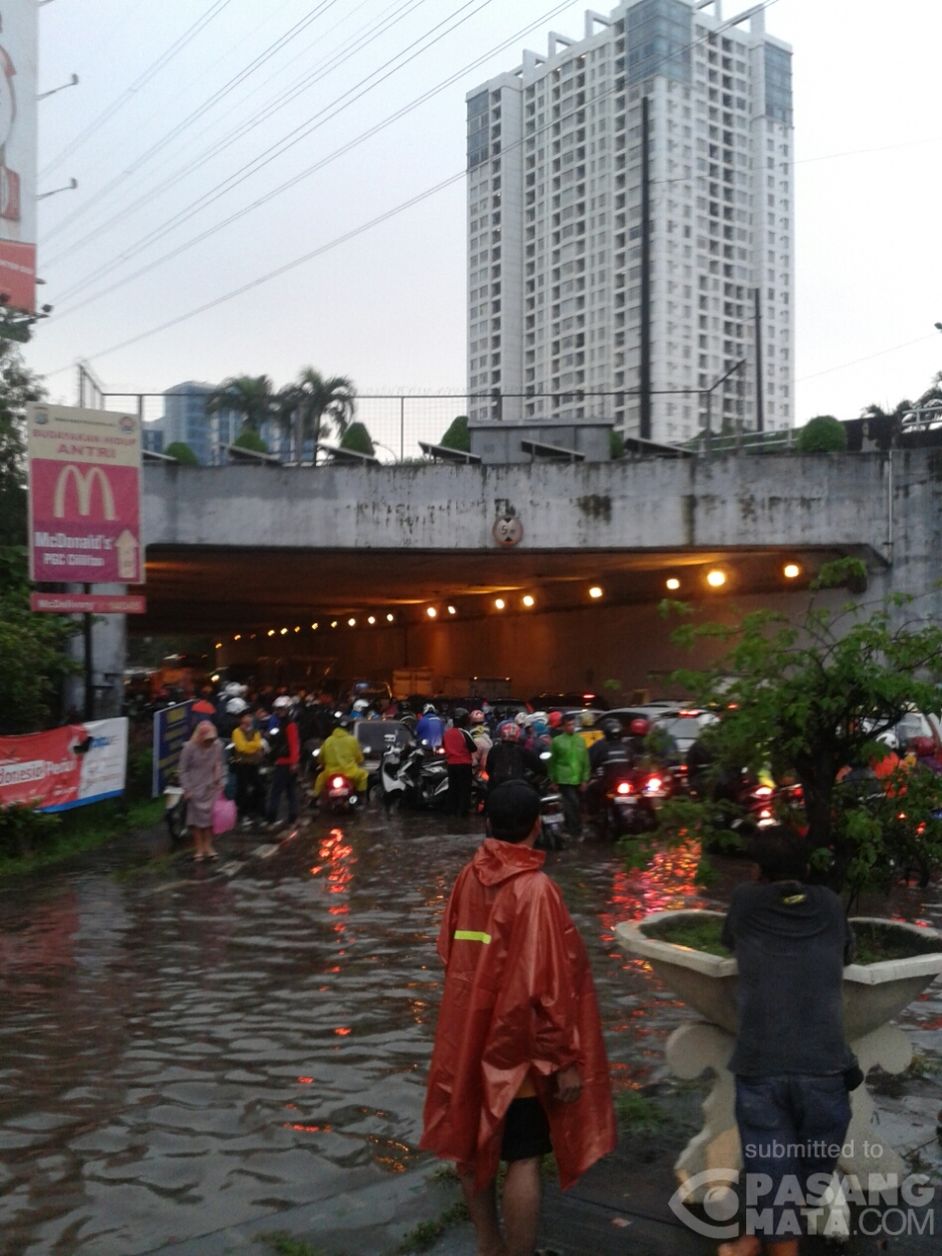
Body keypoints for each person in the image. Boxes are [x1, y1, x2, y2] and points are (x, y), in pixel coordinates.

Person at [421, 781, 616, 1256]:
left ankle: (489, 1244)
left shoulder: (469, 877)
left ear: (487, 822)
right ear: (536, 825)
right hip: (520, 1049)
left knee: (471, 1145)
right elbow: (550, 983)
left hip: (468, 1034)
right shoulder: (536, 889)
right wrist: (563, 1058)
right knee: (523, 1158)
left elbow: (449, 951)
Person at [719, 827, 856, 1256]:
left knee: (773, 1174)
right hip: (827, 1069)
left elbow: (728, 941)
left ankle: (761, 1237)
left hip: (763, 1068)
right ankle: (755, 1237)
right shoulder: (831, 906)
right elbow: (847, 954)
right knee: (789, 1178)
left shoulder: (744, 901)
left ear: (756, 871)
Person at [178, 719, 225, 861]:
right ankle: (199, 848)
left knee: (210, 819)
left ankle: (208, 846)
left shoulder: (217, 746)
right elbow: (183, 770)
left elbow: (219, 763)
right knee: (196, 821)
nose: (209, 743)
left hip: (211, 786)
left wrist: (219, 778)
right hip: (194, 786)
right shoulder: (189, 748)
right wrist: (187, 788)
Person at [548, 712, 590, 838]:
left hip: (578, 778)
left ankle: (572, 827)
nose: (571, 727)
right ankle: (574, 829)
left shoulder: (580, 740)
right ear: (563, 727)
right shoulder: (557, 741)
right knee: (572, 803)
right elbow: (552, 762)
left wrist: (585, 779)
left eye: (573, 724)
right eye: (568, 725)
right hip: (564, 779)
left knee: (575, 805)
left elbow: (585, 760)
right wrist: (553, 780)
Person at [313, 715, 368, 804]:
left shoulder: (328, 740)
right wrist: (359, 761)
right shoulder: (352, 740)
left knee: (319, 780)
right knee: (363, 776)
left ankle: (313, 800)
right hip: (351, 772)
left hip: (330, 773)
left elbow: (321, 757)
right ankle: (360, 798)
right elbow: (358, 757)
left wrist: (321, 764)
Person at [265, 695, 301, 829]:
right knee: (288, 791)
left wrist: (294, 762)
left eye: (282, 710)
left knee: (279, 792)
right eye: (278, 710)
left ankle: (273, 818)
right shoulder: (281, 724)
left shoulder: (289, 725)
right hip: (282, 762)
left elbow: (293, 744)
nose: (279, 712)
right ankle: (292, 817)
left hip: (286, 763)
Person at [231, 708, 265, 828]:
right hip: (242, 765)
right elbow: (241, 748)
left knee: (260, 788)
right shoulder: (237, 732)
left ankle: (257, 813)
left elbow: (258, 744)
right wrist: (253, 746)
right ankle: (242, 815)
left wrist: (251, 746)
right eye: (246, 716)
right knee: (243, 790)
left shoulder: (255, 731)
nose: (248, 719)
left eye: (250, 716)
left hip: (254, 764)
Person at [485, 720, 542, 790]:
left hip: (496, 786)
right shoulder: (523, 751)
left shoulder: (494, 749)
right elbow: (540, 768)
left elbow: (488, 769)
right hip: (518, 787)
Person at [443, 708, 476, 816]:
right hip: (464, 765)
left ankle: (451, 810)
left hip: (451, 765)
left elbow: (443, 746)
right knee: (464, 789)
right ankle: (462, 812)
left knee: (453, 788)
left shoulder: (447, 733)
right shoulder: (464, 733)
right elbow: (473, 748)